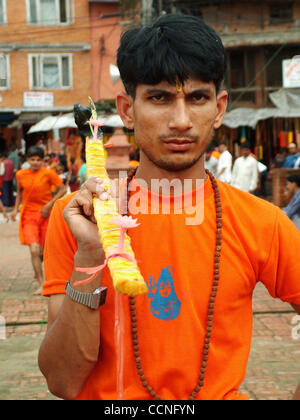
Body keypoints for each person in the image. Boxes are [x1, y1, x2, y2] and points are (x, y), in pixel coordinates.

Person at [38, 14, 300, 401]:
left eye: (197, 98)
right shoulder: (81, 219)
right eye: (159, 98)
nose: (181, 121)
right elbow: (62, 382)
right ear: (127, 109)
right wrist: (91, 256)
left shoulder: (262, 222)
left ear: (219, 107)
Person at [10, 146, 66, 295]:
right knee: (34, 250)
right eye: (32, 159)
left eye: (38, 160)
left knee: (42, 252)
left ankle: (38, 275)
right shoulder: (20, 174)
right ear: (27, 160)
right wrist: (16, 209)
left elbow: (62, 189)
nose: (35, 162)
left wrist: (50, 204)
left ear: (42, 161)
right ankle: (42, 283)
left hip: (46, 215)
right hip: (28, 214)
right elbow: (20, 192)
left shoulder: (48, 173)